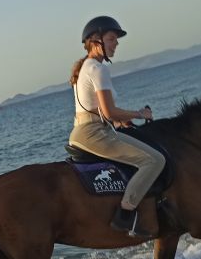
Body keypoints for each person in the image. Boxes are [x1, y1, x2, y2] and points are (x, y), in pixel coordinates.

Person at [68, 16, 166, 239]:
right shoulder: (97, 69)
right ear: (96, 41)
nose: (116, 44)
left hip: (89, 130)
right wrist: (141, 114)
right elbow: (110, 112)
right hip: (93, 134)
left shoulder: (86, 66)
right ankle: (126, 213)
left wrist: (123, 121)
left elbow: (101, 112)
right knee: (154, 160)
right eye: (112, 39)